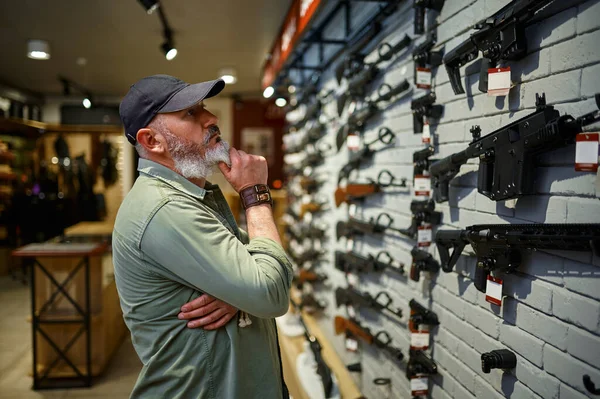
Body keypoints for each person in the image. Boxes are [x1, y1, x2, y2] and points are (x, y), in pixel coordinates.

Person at [113, 74, 293, 398]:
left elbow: (263, 268)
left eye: (204, 107)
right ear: (153, 141)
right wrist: (255, 192)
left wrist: (238, 291)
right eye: (190, 114)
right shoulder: (165, 208)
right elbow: (271, 289)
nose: (211, 118)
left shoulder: (189, 197)